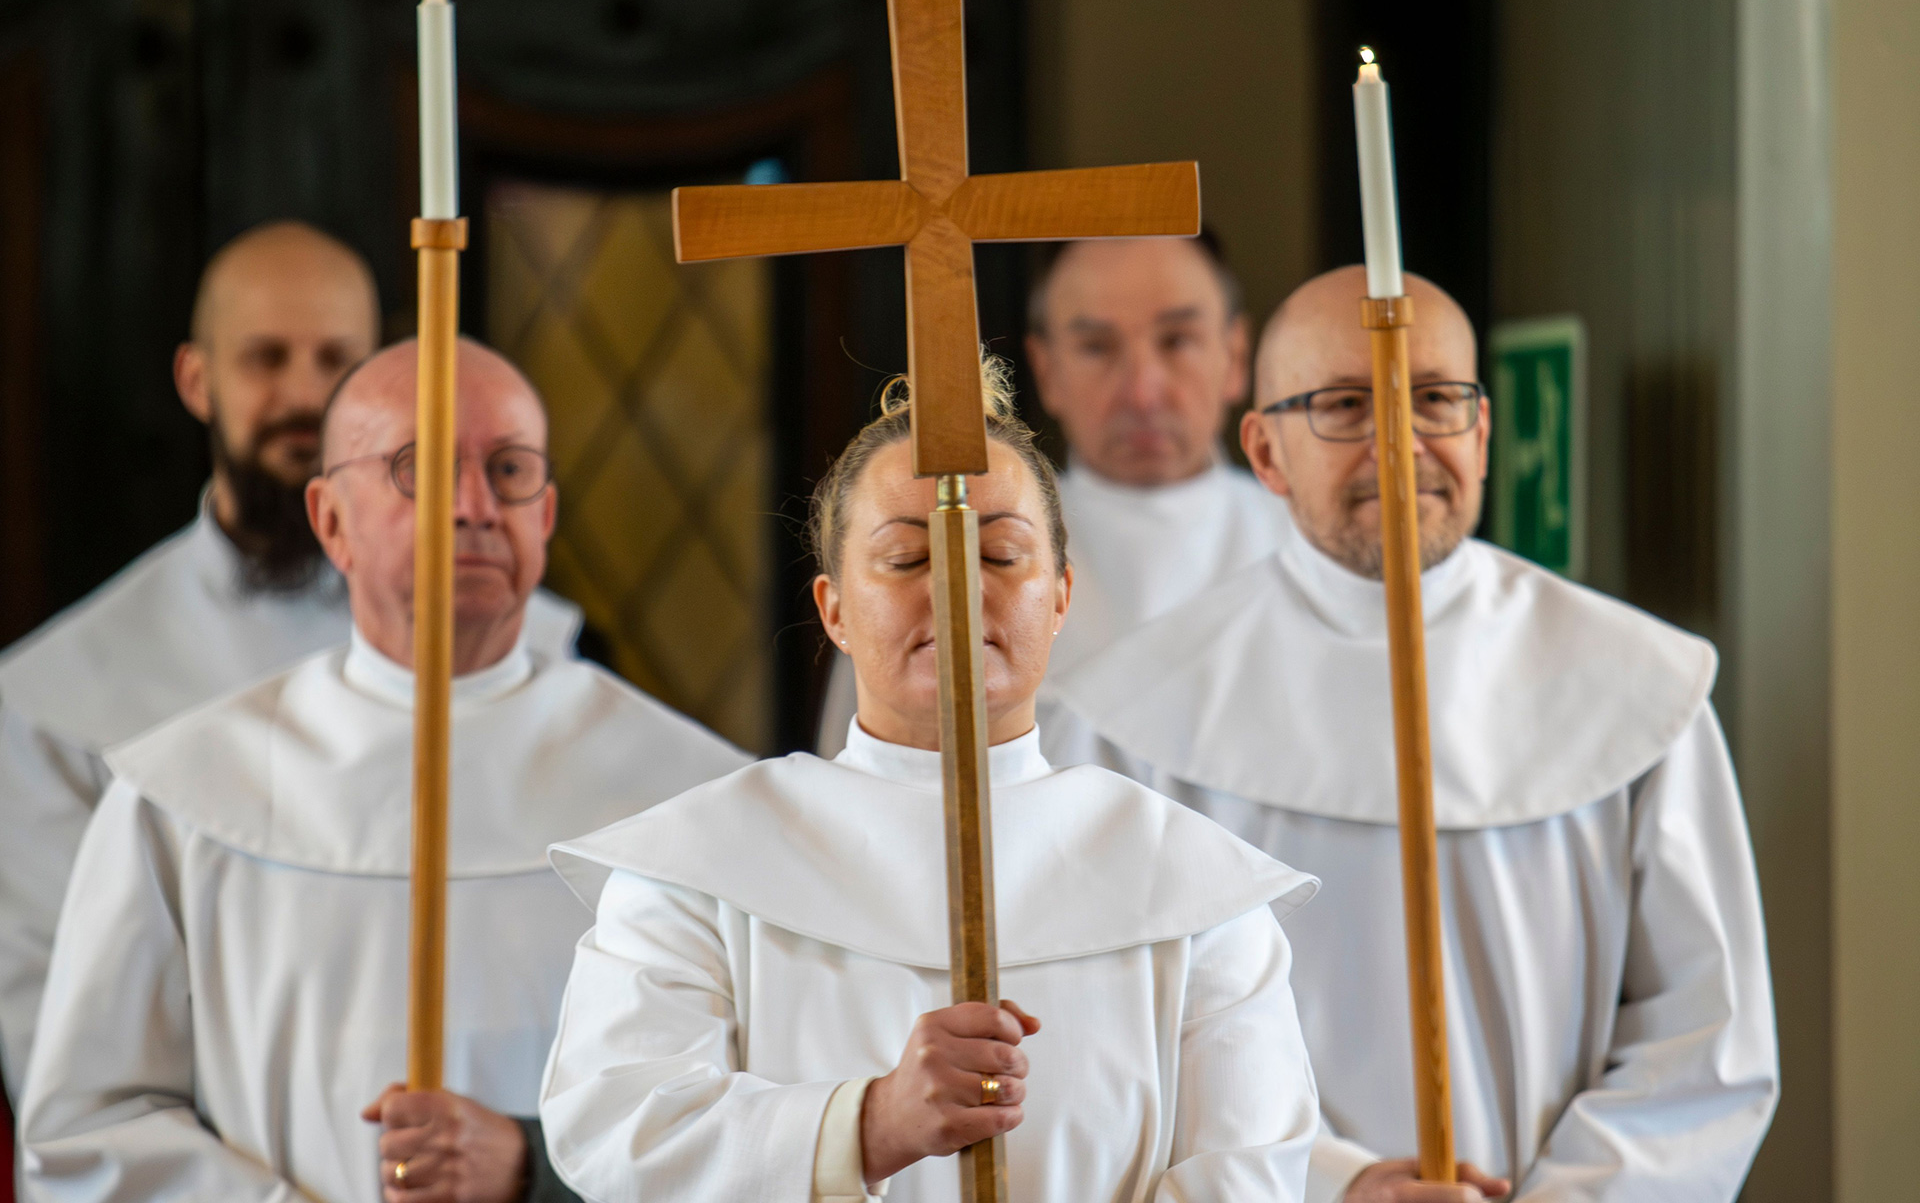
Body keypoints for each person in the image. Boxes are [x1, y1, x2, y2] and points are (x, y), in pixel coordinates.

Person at [1051, 266, 1779, 1203]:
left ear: (1481, 433)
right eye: (1345, 406)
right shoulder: (1132, 717)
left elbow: (1706, 1040)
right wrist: (1338, 1184)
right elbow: (1111, 1044)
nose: (1399, 445)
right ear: (1266, 453)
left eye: (1435, 400)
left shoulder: (1639, 686)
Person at [539, 365, 1322, 1202]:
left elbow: (1251, 1172)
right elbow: (618, 1128)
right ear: (834, 608)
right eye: (906, 557)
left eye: (1000, 553)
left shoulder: (1193, 885)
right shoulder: (697, 867)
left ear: (1059, 597)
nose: (956, 584)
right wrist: (871, 1125)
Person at [17, 339, 745, 1203]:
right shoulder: (184, 798)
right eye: (418, 469)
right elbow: (88, 1129)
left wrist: (534, 1168)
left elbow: (767, 1111)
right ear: (331, 521)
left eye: (508, 470)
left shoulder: (698, 799)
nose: (474, 506)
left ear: (545, 515)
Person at [0, 222, 582, 1100]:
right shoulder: (57, 698)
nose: (304, 395)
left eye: (334, 358)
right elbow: (65, 1050)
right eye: (265, 359)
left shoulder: (527, 647)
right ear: (198, 380)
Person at [815, 234, 1288, 754]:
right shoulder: (941, 548)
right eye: (1096, 347)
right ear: (1046, 370)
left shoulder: (1309, 551)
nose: (1142, 390)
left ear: (1237, 356)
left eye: (1177, 340)